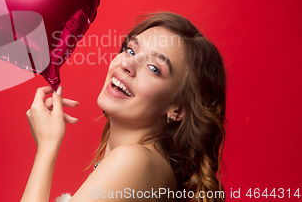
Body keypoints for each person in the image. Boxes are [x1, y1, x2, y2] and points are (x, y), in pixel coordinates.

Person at [20, 11, 227, 202]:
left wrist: (47, 147)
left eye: (154, 68)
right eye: (130, 50)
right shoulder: (145, 164)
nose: (127, 65)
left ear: (178, 109)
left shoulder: (135, 161)